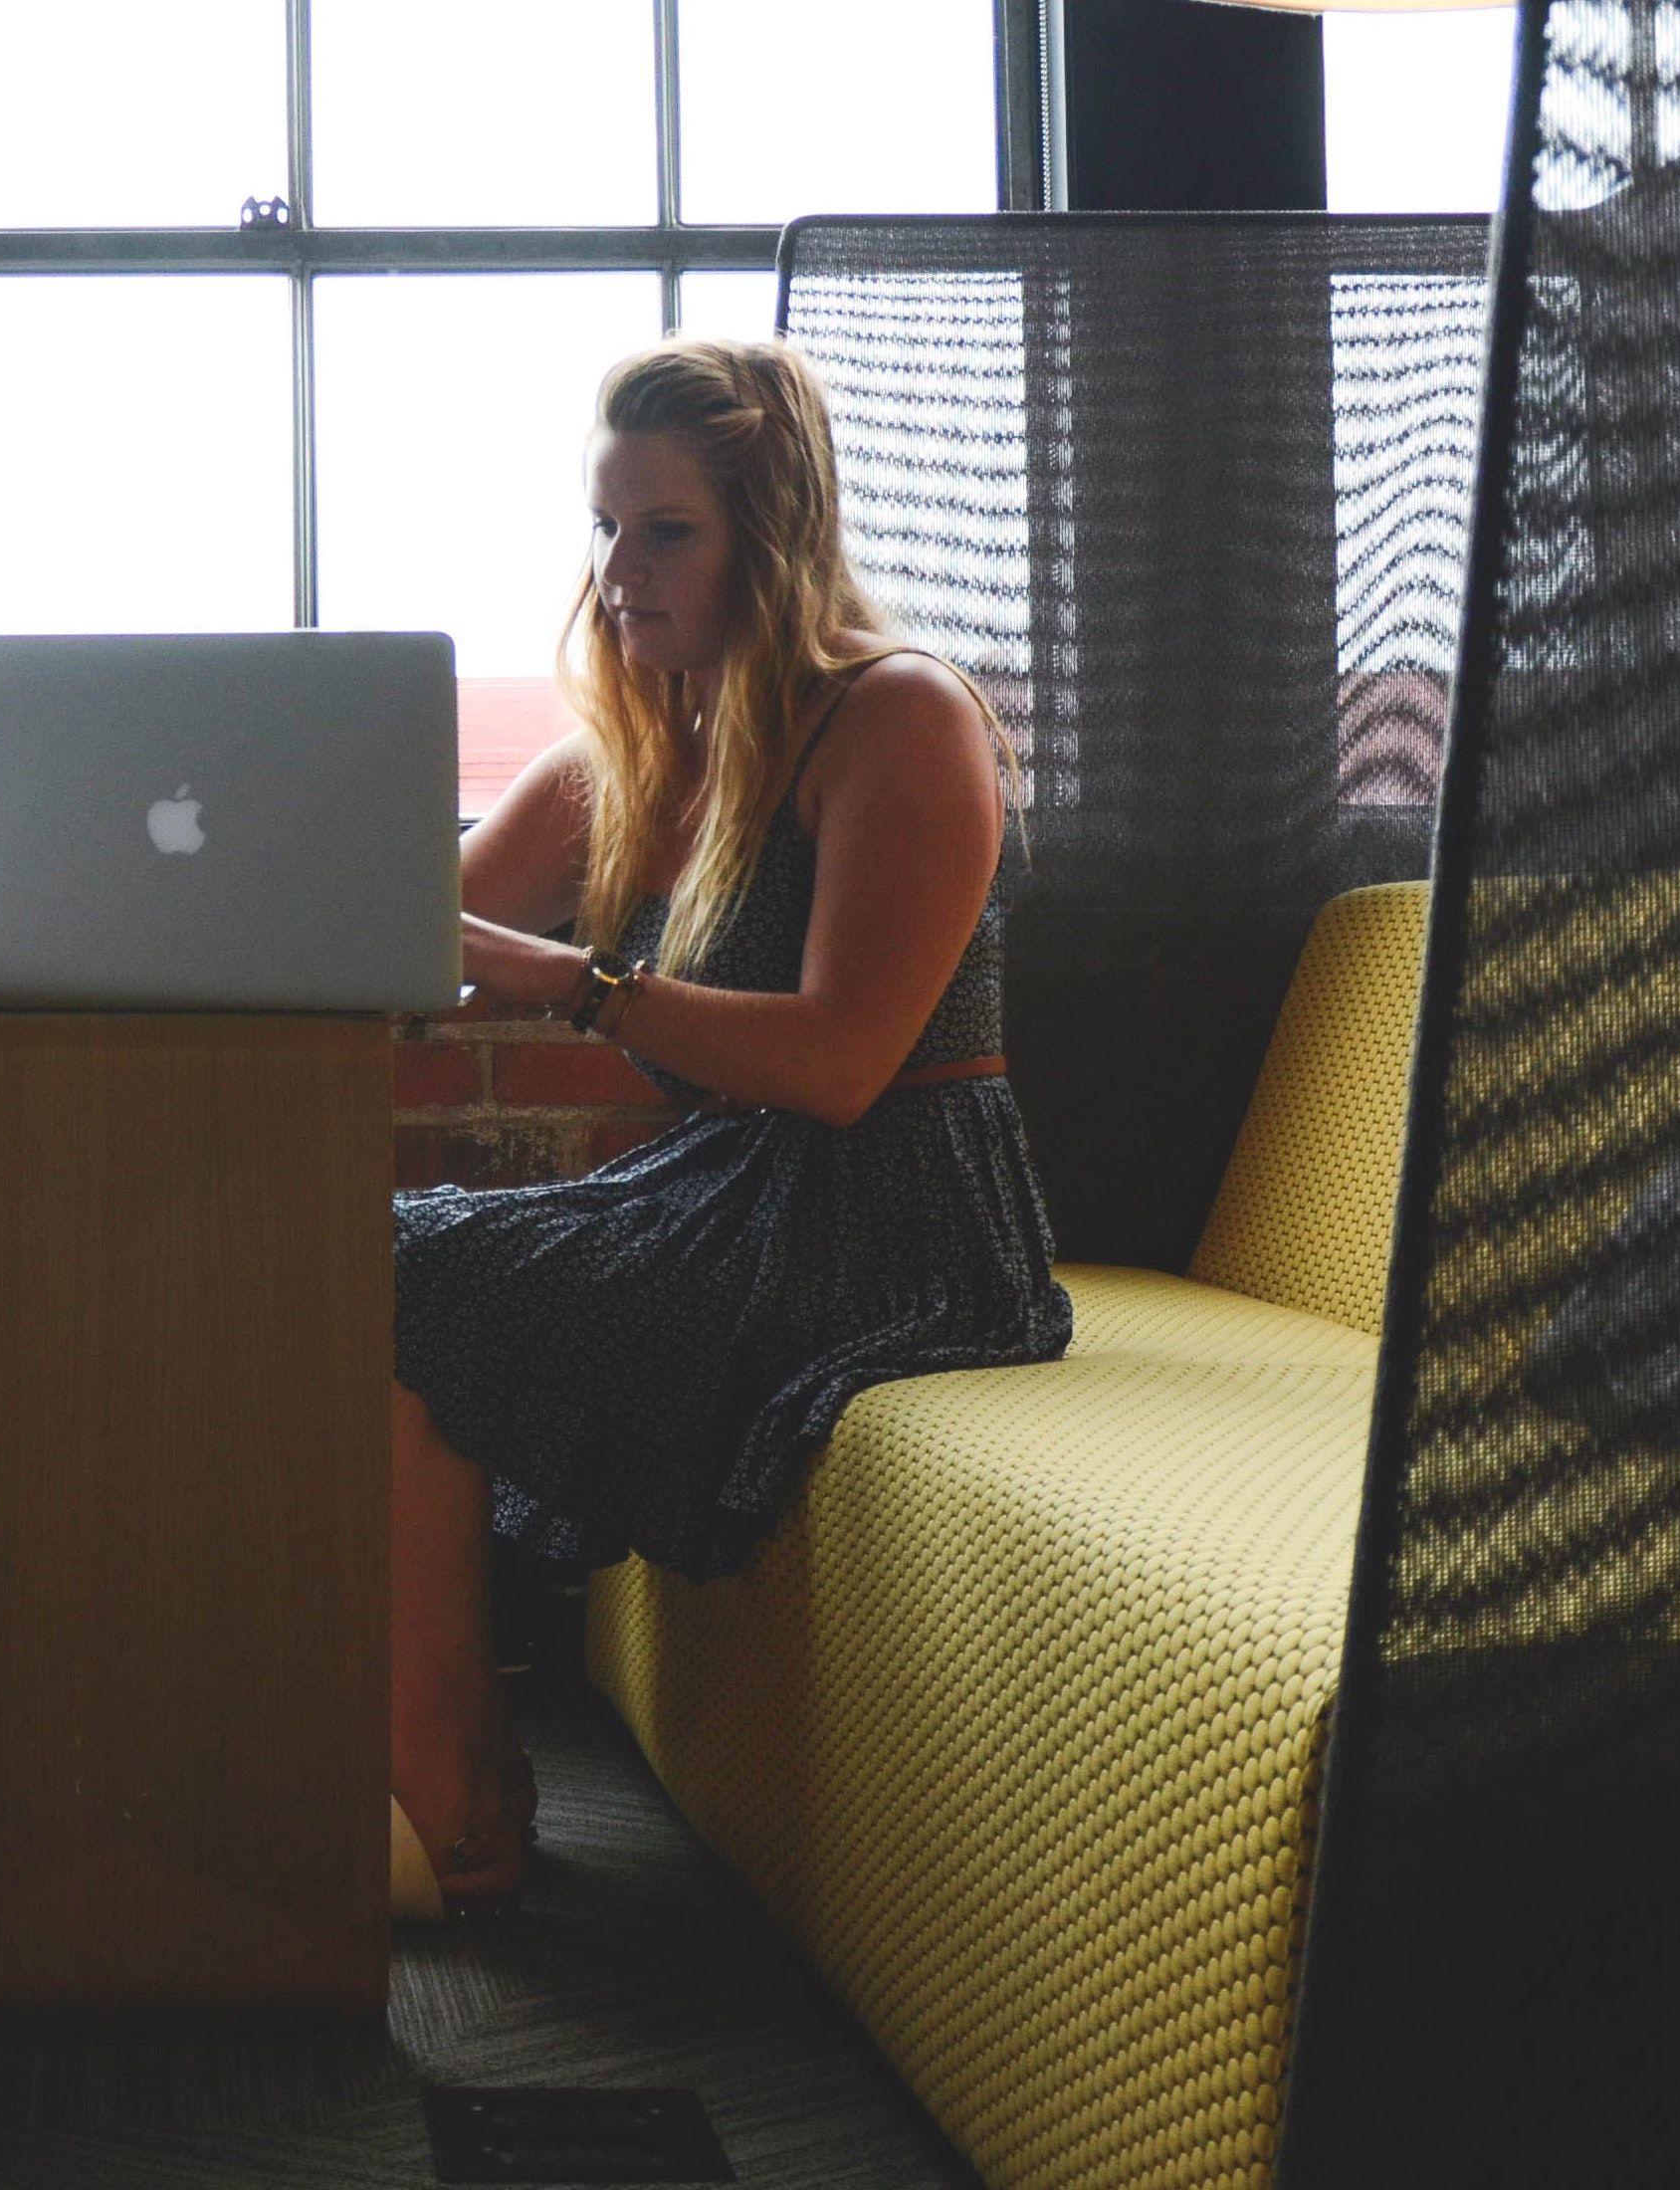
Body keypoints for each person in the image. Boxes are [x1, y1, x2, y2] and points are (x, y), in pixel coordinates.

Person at [387, 338, 1075, 1916]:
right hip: (729, 1188)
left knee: (416, 1280)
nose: (619, 571)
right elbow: (407, 937)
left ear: (771, 537)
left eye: (665, 531)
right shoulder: (635, 749)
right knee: (383, 1261)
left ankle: (449, 1784)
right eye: (604, 528)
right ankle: (442, 1757)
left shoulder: (897, 718)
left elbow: (842, 1065)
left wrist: (578, 985)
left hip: (900, 1217)